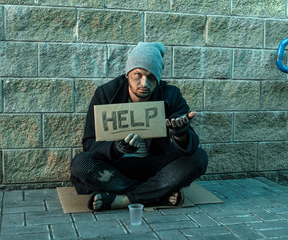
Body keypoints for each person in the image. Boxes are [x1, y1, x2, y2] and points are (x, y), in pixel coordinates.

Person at [70, 42, 208, 211]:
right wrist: (117, 148)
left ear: (157, 79)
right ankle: (156, 194)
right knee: (81, 163)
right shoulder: (105, 93)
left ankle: (124, 199)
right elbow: (89, 143)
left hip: (155, 167)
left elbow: (190, 146)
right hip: (116, 168)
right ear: (128, 74)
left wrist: (180, 134)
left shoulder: (171, 95)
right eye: (138, 75)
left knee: (199, 158)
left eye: (151, 77)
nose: (144, 83)